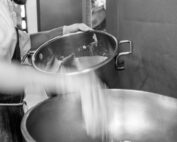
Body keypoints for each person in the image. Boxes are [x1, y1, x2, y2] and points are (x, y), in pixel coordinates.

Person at [0, 0, 92, 141]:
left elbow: (21, 42)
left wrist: (64, 31)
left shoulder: (6, 7)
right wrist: (55, 80)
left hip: (11, 112)